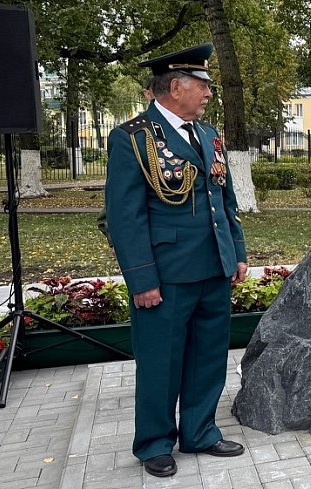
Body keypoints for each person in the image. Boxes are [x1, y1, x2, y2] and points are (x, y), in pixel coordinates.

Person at [104, 43, 248, 478]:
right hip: (166, 275)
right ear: (175, 86)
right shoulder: (133, 138)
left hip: (212, 267)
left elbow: (225, 199)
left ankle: (200, 431)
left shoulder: (206, 134)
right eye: (202, 85)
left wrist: (237, 252)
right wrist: (141, 279)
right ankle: (154, 442)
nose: (208, 93)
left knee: (208, 355)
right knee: (160, 360)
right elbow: (124, 217)